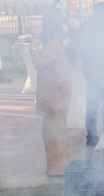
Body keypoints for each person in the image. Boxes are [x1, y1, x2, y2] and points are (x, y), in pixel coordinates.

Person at [30, 10, 72, 177]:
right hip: (56, 90)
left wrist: (32, 47)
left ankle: (59, 169)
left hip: (55, 93)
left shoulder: (53, 43)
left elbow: (40, 64)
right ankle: (57, 167)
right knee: (54, 131)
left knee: (55, 132)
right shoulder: (59, 40)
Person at [77, 2, 104, 146]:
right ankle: (92, 136)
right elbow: (85, 49)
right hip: (94, 73)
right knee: (94, 105)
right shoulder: (87, 28)